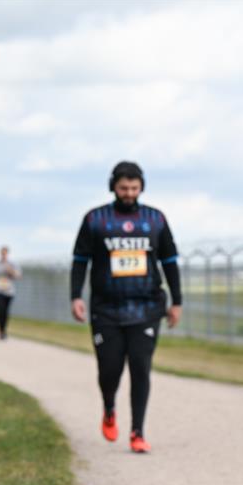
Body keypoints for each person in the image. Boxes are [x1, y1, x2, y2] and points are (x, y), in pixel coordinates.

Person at [70, 161, 182, 453]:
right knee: (110, 371)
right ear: (113, 187)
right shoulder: (95, 219)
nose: (129, 193)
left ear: (142, 187)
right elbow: (80, 261)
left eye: (134, 188)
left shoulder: (155, 219)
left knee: (140, 369)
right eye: (123, 188)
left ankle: (137, 432)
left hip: (146, 307)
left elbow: (169, 262)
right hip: (106, 309)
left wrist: (177, 301)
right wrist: (76, 296)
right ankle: (109, 408)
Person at [0, 246, 22, 340]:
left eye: (5, 253)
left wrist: (10, 270)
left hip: (9, 290)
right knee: (1, 309)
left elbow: (19, 276)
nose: (3, 255)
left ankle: (3, 330)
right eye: (2, 253)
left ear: (7, 254)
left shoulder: (13, 264)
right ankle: (0, 331)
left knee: (5, 311)